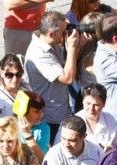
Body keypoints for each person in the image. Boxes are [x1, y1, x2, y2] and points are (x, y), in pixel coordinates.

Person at [24, 10, 83, 144]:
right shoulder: (39, 53)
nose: (65, 35)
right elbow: (67, 78)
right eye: (63, 32)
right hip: (51, 117)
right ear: (51, 34)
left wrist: (78, 45)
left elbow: (68, 64)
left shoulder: (50, 42)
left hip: (62, 109)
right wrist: (73, 49)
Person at [54, 83, 117, 151]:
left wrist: (112, 148)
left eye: (96, 105)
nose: (91, 109)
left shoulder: (110, 120)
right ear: (82, 102)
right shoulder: (69, 123)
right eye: (88, 103)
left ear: (104, 104)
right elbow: (57, 148)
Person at [12, 90, 50, 160]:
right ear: (23, 111)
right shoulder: (9, 128)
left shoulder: (44, 128)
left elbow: (42, 159)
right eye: (36, 111)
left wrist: (28, 135)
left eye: (42, 111)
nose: (41, 115)